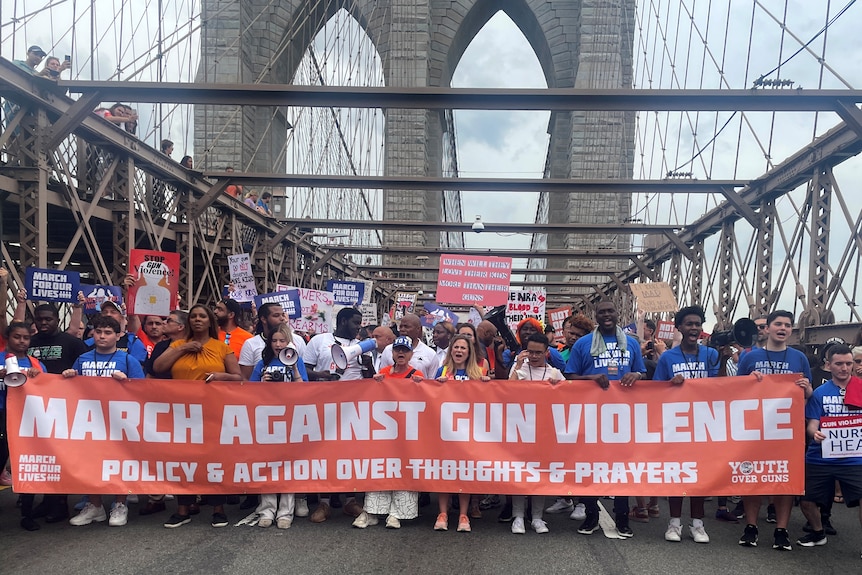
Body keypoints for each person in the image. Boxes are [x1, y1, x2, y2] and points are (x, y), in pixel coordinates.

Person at [152, 304, 241, 529]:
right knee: (183, 460)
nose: (197, 320)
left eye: (202, 316)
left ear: (210, 321)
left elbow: (238, 377)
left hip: (213, 413)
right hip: (182, 413)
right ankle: (183, 509)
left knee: (213, 460)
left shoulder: (221, 348)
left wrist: (221, 376)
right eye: (193, 316)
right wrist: (182, 349)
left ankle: (218, 509)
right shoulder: (177, 345)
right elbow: (158, 367)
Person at [564, 300, 645, 538]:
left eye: (610, 310)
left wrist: (636, 374)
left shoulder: (631, 343)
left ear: (617, 313)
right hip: (591, 416)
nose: (607, 315)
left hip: (623, 417)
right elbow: (570, 375)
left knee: (621, 468)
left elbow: (642, 371)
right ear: (596, 316)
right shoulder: (583, 343)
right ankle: (591, 516)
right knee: (591, 467)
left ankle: (622, 518)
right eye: (602, 312)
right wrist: (590, 378)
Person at [736, 309, 813, 550]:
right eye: (778, 324)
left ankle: (781, 529)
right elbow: (734, 392)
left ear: (791, 330)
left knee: (784, 479)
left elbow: (809, 395)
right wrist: (748, 382)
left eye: (788, 325)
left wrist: (806, 388)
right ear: (767, 328)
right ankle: (751, 527)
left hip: (786, 432)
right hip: (755, 429)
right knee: (753, 476)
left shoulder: (799, 358)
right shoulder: (750, 358)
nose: (783, 328)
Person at [62, 315, 144, 527]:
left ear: (118, 335)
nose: (102, 336)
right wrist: (69, 376)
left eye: (108, 332)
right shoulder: (82, 359)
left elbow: (143, 391)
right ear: (93, 333)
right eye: (98, 332)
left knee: (119, 462)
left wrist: (126, 383)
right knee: (91, 462)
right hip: (90, 420)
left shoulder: (127, 360)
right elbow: (69, 390)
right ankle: (95, 505)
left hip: (119, 421)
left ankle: (119, 503)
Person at [653, 305, 718, 544]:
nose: (694, 328)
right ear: (679, 327)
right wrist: (671, 383)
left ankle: (698, 524)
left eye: (697, 324)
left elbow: (720, 388)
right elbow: (657, 391)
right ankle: (674, 523)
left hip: (704, 423)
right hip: (676, 424)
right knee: (677, 473)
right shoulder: (668, 357)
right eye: (689, 324)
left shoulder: (710, 355)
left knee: (700, 475)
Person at [302, 307, 366, 522]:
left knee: (350, 453)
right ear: (343, 320)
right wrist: (321, 375)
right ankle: (325, 501)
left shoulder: (361, 346)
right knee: (324, 452)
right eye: (356, 322)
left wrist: (368, 366)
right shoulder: (319, 341)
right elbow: (303, 369)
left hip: (353, 408)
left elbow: (372, 378)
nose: (359, 327)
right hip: (324, 404)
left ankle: (350, 500)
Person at [353, 336, 423, 530]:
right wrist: (375, 384)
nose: (401, 353)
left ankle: (397, 513)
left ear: (410, 354)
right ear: (392, 353)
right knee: (380, 467)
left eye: (405, 350)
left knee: (404, 468)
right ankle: (373, 511)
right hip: (383, 432)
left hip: (407, 432)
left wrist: (420, 386)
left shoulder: (417, 374)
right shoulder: (383, 373)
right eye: (397, 350)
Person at [796, 344, 862, 549]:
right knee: (806, 501)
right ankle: (817, 532)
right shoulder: (819, 393)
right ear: (829, 365)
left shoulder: (860, 388)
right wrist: (813, 433)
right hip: (820, 456)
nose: (845, 368)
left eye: (849, 363)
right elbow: (812, 423)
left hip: (854, 458)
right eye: (839, 364)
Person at [432, 334, 490, 532]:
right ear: (451, 350)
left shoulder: (477, 372)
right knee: (444, 472)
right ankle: (443, 513)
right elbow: (428, 396)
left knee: (464, 473)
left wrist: (485, 384)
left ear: (469, 352)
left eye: (463, 348)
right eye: (455, 347)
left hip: (468, 432)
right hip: (445, 430)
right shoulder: (443, 370)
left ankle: (464, 515)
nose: (458, 351)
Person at [507, 332, 562, 535]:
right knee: (519, 474)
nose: (534, 356)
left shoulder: (554, 373)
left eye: (538, 352)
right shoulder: (519, 369)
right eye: (530, 351)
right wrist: (518, 367)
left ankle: (537, 518)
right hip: (520, 429)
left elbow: (568, 397)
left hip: (544, 431)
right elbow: (504, 392)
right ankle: (518, 516)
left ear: (547, 352)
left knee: (539, 474)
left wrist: (559, 388)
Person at [250, 323, 302, 529]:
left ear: (289, 342)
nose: (278, 344)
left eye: (282, 340)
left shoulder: (296, 362)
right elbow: (248, 392)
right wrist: (263, 383)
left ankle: (285, 512)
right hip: (266, 420)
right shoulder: (261, 363)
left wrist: (295, 369)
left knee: (289, 466)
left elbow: (307, 391)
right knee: (267, 465)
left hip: (291, 420)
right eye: (274, 340)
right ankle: (267, 509)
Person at [0, 321, 47, 530]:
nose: (21, 341)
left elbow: (48, 391)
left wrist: (39, 379)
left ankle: (27, 514)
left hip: (27, 419)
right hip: (1, 416)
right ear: (8, 338)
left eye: (26, 338)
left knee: (28, 464)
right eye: (17, 337)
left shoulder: (36, 364)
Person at [238, 303, 307, 380]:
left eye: (282, 315)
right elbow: (246, 380)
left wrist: (294, 368)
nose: (282, 318)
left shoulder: (298, 341)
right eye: (276, 315)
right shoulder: (252, 346)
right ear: (263, 319)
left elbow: (303, 387)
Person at [379, 314, 439, 379]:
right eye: (401, 327)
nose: (402, 329)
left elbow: (431, 383)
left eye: (406, 327)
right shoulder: (388, 350)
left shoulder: (430, 354)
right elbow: (382, 380)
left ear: (418, 329)